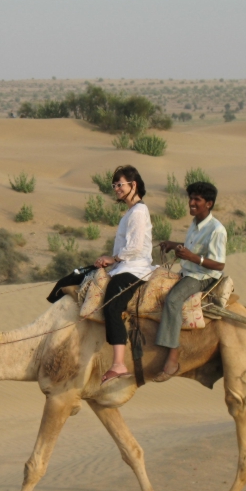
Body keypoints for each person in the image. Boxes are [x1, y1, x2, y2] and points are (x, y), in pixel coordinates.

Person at [154, 181, 226, 382]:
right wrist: (173, 245)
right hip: (188, 270)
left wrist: (192, 257)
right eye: (191, 198)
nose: (191, 203)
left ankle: (173, 358)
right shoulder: (195, 224)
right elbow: (191, 247)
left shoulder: (217, 230)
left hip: (203, 277)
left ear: (209, 203)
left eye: (197, 200)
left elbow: (219, 264)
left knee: (173, 300)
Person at [94, 165, 155, 385]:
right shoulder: (130, 212)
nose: (117, 189)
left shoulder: (139, 212)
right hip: (124, 266)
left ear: (133, 185)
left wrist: (114, 258)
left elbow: (136, 247)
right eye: (115, 185)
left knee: (113, 305)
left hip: (135, 268)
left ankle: (118, 364)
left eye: (120, 184)